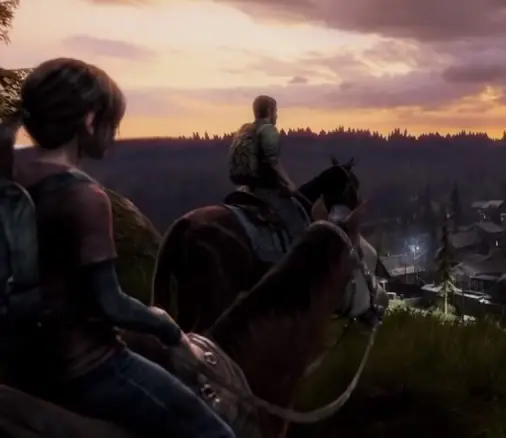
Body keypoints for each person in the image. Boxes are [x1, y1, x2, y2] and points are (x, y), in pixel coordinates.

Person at [0, 58, 236, 438]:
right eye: (112, 122)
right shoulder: (83, 195)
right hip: (85, 367)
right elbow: (109, 303)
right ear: (90, 120)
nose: (115, 133)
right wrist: (169, 330)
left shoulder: (12, 180)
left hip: (21, 363)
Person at [229, 94, 295, 195]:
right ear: (269, 111)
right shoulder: (268, 129)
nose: (277, 116)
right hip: (263, 184)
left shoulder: (243, 130)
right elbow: (273, 162)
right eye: (275, 111)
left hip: (241, 184)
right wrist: (288, 183)